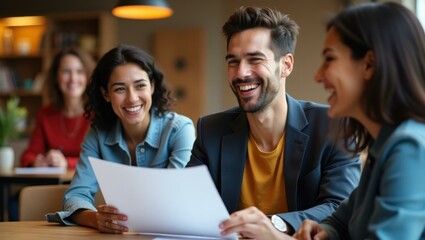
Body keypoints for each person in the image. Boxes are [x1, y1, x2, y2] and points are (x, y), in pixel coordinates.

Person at [186, 6, 361, 239]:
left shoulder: (333, 125)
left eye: (254, 59)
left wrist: (275, 224)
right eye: (233, 62)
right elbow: (187, 203)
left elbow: (339, 206)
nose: (241, 73)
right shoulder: (211, 130)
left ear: (286, 65)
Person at [293, 2, 425, 240]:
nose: (318, 75)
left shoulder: (409, 147)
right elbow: (344, 218)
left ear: (369, 64)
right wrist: (325, 231)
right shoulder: (384, 142)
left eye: (329, 59)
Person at [46, 44, 196, 233]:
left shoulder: (179, 130)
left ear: (152, 86)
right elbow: (75, 195)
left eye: (140, 85)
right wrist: (95, 219)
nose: (132, 98)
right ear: (105, 94)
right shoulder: (97, 135)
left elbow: (175, 197)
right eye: (120, 89)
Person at [20, 48, 95, 169]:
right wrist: (36, 161)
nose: (73, 79)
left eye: (80, 71)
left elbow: (102, 161)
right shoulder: (46, 113)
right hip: (54, 184)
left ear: (88, 76)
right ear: (56, 77)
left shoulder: (99, 114)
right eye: (66, 71)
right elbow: (28, 155)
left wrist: (67, 163)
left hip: (89, 185)